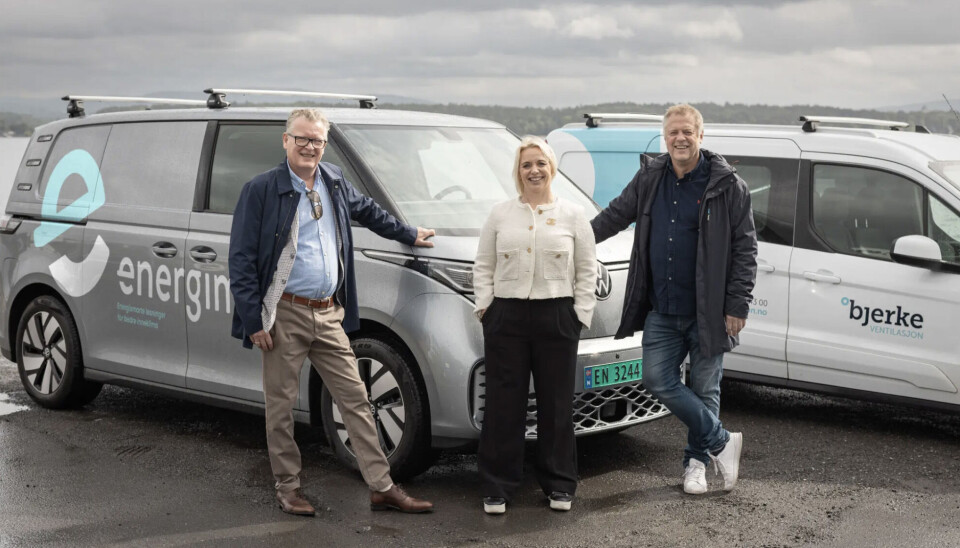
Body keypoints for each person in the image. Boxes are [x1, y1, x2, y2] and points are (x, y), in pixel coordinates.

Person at [229, 108, 435, 516]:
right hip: (284, 313)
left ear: (325, 144)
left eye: (317, 141)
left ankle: (381, 486)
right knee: (281, 406)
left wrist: (409, 233)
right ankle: (288, 488)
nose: (309, 147)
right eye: (302, 139)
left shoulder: (334, 181)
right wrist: (255, 321)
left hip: (327, 313)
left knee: (356, 398)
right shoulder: (261, 190)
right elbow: (241, 259)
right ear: (285, 140)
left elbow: (370, 213)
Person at [590, 104, 757, 495]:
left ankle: (696, 466)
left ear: (701, 135)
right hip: (662, 309)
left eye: (687, 132)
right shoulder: (649, 178)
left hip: (709, 310)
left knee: (705, 388)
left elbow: (745, 250)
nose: (680, 139)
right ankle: (721, 441)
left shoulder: (728, 185)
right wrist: (571, 237)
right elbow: (614, 216)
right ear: (665, 138)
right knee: (654, 377)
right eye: (673, 133)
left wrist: (737, 305)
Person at [473, 136, 597, 514]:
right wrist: (486, 310)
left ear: (552, 168)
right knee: (502, 404)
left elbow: (587, 269)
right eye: (526, 164)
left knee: (556, 404)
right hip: (506, 317)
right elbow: (483, 266)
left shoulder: (574, 215)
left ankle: (559, 484)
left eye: (540, 163)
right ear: (518, 171)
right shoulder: (500, 214)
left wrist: (580, 314)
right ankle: (497, 486)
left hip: (557, 316)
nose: (534, 170)